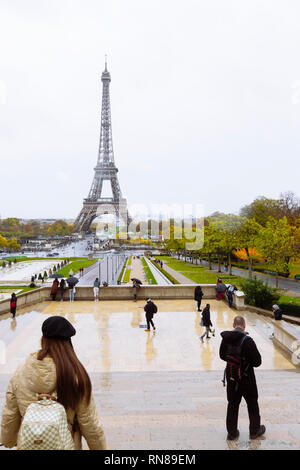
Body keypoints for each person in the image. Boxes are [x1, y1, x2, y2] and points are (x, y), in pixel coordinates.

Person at [0, 316, 106, 450]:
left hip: (30, 445)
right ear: (68, 342)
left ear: (43, 340)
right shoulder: (75, 376)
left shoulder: (21, 372)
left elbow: (10, 413)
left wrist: (8, 440)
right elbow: (90, 424)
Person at [219, 315, 266, 441]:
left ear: (233, 325)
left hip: (231, 377)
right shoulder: (248, 340)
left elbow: (222, 356)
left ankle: (232, 433)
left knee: (233, 404)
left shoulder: (226, 339)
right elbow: (257, 362)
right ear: (244, 326)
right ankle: (254, 431)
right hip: (247, 378)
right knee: (252, 404)